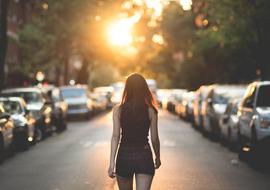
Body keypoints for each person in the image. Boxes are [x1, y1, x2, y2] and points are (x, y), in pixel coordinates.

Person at [108, 73, 161, 190]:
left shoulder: (118, 110)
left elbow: (115, 136)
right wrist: (157, 157)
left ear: (127, 89)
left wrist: (112, 162)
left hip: (124, 157)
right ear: (144, 89)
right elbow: (154, 139)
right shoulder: (151, 110)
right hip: (144, 156)